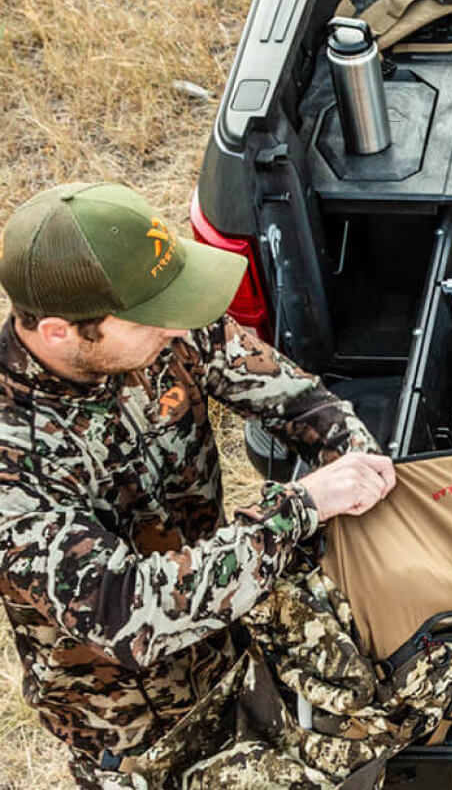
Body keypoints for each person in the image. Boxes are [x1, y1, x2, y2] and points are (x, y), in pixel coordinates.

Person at [0, 182, 397, 788]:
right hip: (132, 733)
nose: (177, 328)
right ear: (60, 332)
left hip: (233, 648)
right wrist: (300, 508)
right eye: (154, 320)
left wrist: (358, 460)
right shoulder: (12, 458)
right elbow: (128, 611)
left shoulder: (160, 324)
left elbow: (294, 397)